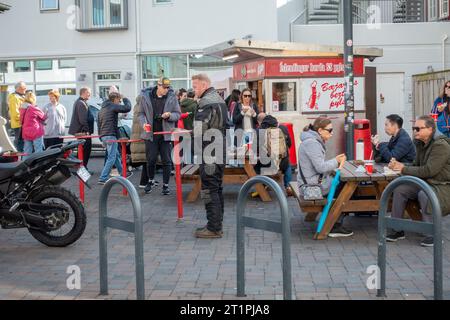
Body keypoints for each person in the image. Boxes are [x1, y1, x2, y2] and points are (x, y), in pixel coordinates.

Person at [388, 115, 450, 247]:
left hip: (442, 185)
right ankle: (397, 229)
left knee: (425, 194)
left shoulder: (441, 145)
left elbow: (429, 171)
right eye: (414, 128)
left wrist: (403, 169)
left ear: (430, 129)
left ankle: (432, 235)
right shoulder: (420, 143)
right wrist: (398, 165)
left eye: (418, 128)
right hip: (426, 182)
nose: (415, 131)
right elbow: (416, 165)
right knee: (400, 188)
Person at [297, 117, 351, 237]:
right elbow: (320, 167)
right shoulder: (312, 143)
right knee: (346, 186)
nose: (332, 133)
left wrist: (333, 165)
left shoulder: (310, 140)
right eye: (330, 130)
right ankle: (334, 224)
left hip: (309, 182)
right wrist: (336, 161)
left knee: (342, 184)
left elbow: (316, 167)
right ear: (320, 130)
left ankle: (335, 220)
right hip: (312, 187)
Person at [192, 74, 228, 239]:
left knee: (208, 189)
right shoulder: (220, 100)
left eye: (195, 86)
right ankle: (216, 224)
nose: (194, 90)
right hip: (220, 149)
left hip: (209, 151)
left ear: (205, 85)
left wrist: (187, 132)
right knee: (217, 187)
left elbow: (200, 129)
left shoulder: (205, 103)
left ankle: (213, 227)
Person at [137, 77, 181, 195]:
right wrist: (144, 124)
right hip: (150, 134)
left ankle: (166, 185)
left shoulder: (172, 97)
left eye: (168, 87)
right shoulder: (145, 96)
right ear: (158, 85)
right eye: (164, 87)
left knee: (167, 161)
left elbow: (178, 114)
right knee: (151, 160)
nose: (166, 89)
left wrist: (170, 115)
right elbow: (140, 114)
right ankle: (150, 181)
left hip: (165, 134)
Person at [97, 91, 132, 184]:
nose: (120, 102)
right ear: (115, 99)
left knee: (116, 155)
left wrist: (101, 137)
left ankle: (123, 173)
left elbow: (98, 124)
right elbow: (127, 108)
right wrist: (125, 98)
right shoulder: (112, 106)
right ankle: (102, 178)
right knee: (111, 157)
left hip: (104, 135)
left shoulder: (101, 109)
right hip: (110, 135)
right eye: (119, 100)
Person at [258, 114, 294, 196]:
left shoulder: (262, 131)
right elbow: (289, 144)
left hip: (269, 164)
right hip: (283, 162)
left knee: (258, 165)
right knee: (288, 164)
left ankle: (264, 186)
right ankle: (288, 186)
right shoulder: (283, 128)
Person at [69, 87, 93, 171]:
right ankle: (82, 168)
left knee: (83, 150)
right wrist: (87, 131)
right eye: (88, 92)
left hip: (83, 132)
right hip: (83, 132)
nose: (89, 94)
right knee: (85, 151)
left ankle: (82, 168)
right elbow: (83, 120)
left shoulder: (81, 102)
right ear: (83, 93)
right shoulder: (81, 103)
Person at [20, 92, 47, 160]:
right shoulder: (34, 108)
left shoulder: (22, 108)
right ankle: (39, 167)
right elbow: (44, 117)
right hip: (36, 132)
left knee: (27, 151)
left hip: (26, 132)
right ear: (33, 99)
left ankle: (24, 167)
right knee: (38, 151)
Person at [131, 96, 149, 188]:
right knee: (147, 159)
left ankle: (148, 180)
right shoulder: (144, 108)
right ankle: (144, 182)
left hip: (137, 136)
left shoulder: (136, 106)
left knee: (147, 160)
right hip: (143, 137)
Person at [8, 81, 27, 152]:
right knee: (20, 142)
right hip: (19, 124)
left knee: (23, 142)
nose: (26, 89)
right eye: (24, 87)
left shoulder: (22, 96)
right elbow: (15, 114)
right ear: (19, 88)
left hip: (22, 123)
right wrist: (24, 120)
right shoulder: (14, 98)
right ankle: (20, 159)